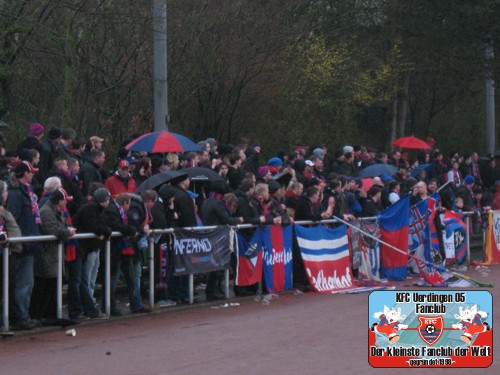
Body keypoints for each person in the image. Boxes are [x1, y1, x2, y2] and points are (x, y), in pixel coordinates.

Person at [8, 161, 44, 330]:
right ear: (24, 174)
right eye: (30, 173)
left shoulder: (26, 193)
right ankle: (21, 316)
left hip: (29, 242)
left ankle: (22, 315)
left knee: (26, 283)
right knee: (24, 283)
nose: (33, 175)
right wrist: (21, 241)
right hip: (24, 245)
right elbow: (13, 218)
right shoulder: (16, 194)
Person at [30, 188, 76, 321]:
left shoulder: (53, 211)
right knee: (46, 286)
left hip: (53, 254)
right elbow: (52, 230)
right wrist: (67, 232)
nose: (66, 204)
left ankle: (50, 314)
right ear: (60, 201)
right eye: (65, 201)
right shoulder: (47, 211)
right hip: (48, 254)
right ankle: (43, 315)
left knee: (52, 285)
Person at [72, 187, 112, 319]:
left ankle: (90, 306)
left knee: (90, 278)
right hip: (86, 248)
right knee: (86, 279)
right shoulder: (91, 209)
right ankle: (88, 308)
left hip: (92, 247)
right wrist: (105, 231)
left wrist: (103, 232)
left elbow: (98, 228)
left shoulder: (97, 210)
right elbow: (92, 227)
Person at [99, 193, 137, 316]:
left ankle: (135, 303)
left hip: (122, 248)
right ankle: (109, 306)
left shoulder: (116, 210)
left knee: (129, 276)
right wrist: (132, 230)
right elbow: (117, 226)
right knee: (112, 279)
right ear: (125, 203)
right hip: (114, 249)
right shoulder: (111, 211)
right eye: (128, 204)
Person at [200, 192, 243, 300]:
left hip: (212, 235)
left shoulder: (210, 202)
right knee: (217, 266)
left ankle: (214, 289)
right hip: (216, 237)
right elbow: (226, 220)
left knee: (217, 265)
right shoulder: (219, 205)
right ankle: (211, 291)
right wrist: (238, 220)